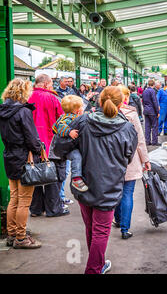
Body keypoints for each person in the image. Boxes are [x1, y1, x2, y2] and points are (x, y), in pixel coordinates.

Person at [57, 86, 138, 274]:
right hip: (109, 186)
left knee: (91, 228)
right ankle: (94, 269)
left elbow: (61, 147)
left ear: (99, 102)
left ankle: (98, 264)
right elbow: (128, 157)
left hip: (83, 183)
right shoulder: (127, 128)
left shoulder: (83, 121)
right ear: (122, 103)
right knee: (101, 231)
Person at [0, 79, 43, 249]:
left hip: (9, 155)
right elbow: (32, 139)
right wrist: (39, 149)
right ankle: (21, 237)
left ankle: (12, 234)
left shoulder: (3, 110)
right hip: (24, 157)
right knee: (24, 200)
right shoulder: (23, 111)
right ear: (23, 92)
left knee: (14, 198)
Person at [28, 74, 69, 217]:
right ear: (46, 84)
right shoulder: (53, 98)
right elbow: (62, 121)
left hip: (32, 144)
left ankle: (36, 209)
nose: (52, 87)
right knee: (53, 177)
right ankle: (53, 208)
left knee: (35, 175)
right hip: (51, 144)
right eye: (51, 84)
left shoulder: (28, 97)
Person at [112, 86, 150, 239]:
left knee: (115, 193)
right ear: (125, 98)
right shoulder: (132, 114)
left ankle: (118, 219)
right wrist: (145, 160)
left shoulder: (104, 113)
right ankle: (124, 229)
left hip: (110, 160)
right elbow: (140, 140)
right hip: (129, 159)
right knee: (127, 193)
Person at [52, 95, 88, 192]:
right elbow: (59, 127)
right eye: (81, 107)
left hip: (65, 147)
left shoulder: (63, 116)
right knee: (77, 157)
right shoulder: (69, 118)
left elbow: (53, 128)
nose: (83, 109)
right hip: (67, 148)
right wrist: (69, 131)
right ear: (77, 110)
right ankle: (76, 178)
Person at [142, 80, 160, 146]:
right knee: (155, 126)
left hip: (146, 111)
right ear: (154, 84)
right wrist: (157, 111)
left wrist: (145, 108)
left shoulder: (144, 91)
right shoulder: (152, 91)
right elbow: (155, 102)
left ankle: (147, 141)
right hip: (152, 111)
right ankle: (154, 142)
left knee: (147, 126)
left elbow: (143, 101)